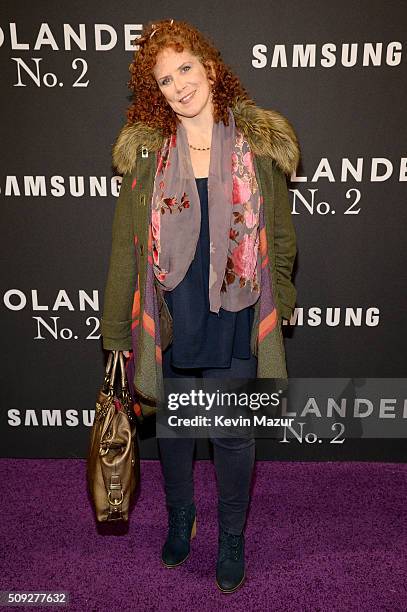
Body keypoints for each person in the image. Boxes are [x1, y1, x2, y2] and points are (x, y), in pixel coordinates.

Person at [101, 19, 299, 593]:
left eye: (185, 69)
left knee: (234, 433)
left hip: (240, 314)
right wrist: (116, 331)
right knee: (178, 431)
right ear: (155, 92)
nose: (179, 86)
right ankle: (180, 518)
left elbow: (282, 238)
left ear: (209, 68)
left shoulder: (257, 146)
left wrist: (277, 300)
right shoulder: (146, 156)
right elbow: (124, 247)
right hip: (173, 316)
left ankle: (232, 534)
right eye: (164, 80)